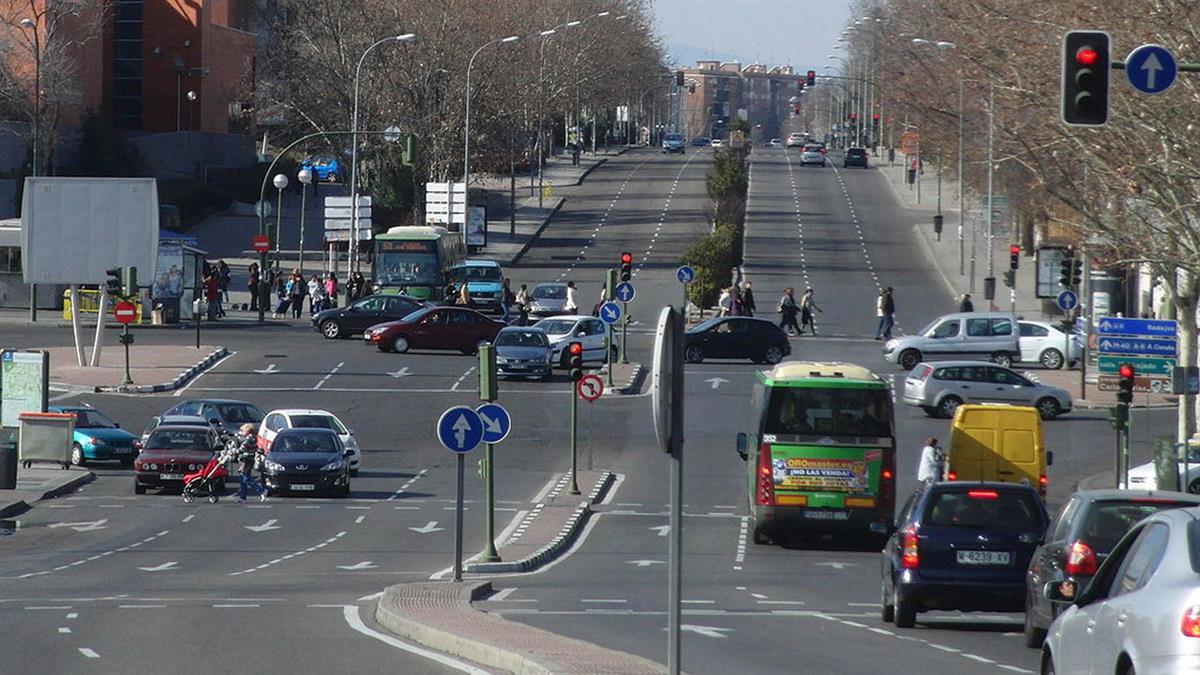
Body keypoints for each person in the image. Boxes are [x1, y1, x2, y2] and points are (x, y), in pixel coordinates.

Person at [234, 423, 268, 503]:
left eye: (242, 431)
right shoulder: (252, 438)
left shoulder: (249, 438)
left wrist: (233, 451)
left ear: (247, 431)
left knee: (245, 478)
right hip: (247, 460)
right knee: (242, 478)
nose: (241, 432)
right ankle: (243, 497)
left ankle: (261, 491)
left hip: (247, 460)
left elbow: (243, 448)